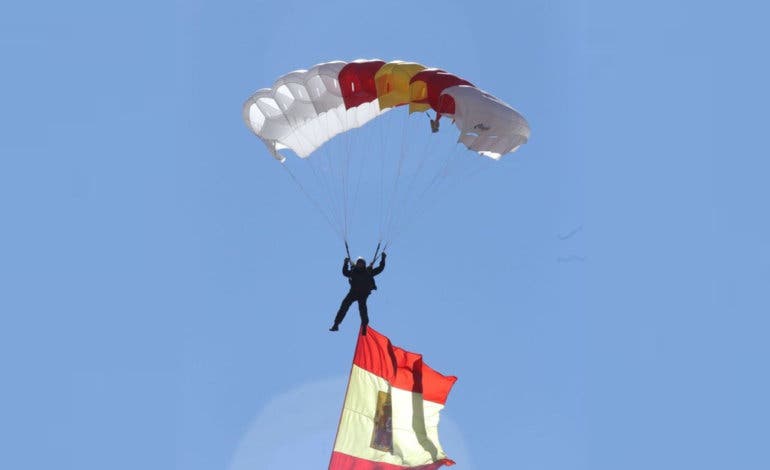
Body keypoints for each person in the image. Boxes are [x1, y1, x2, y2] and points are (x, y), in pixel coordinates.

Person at [329, 253, 386, 335]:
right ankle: (336, 324)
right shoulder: (353, 272)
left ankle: (364, 326)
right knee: (344, 306)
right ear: (356, 264)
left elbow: (380, 269)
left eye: (361, 263)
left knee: (362, 309)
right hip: (353, 293)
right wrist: (345, 263)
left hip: (363, 294)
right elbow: (345, 273)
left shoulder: (368, 272)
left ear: (364, 265)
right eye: (359, 263)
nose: (360, 264)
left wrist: (383, 259)